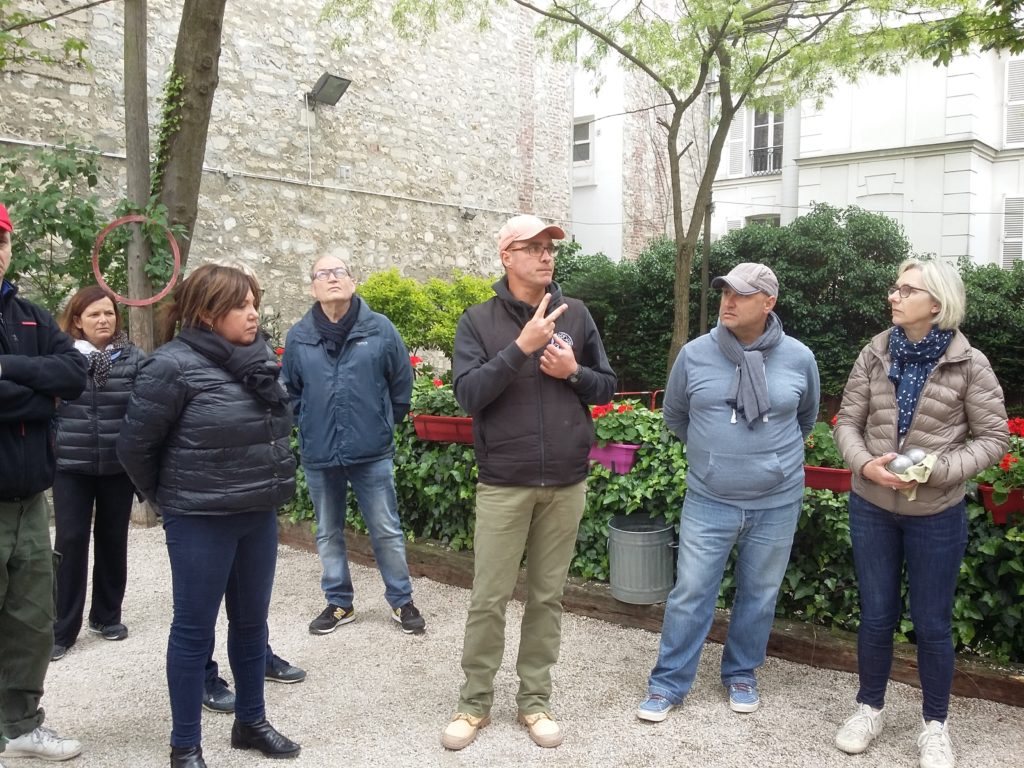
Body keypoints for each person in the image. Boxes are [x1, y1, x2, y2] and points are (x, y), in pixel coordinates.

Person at [440, 214, 616, 751]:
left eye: (550, 248)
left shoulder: (578, 315)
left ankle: (535, 701)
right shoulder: (477, 320)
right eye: (532, 247)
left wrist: (573, 373)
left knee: (547, 597)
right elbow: (467, 395)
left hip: (565, 480)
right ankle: (474, 705)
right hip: (505, 482)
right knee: (489, 597)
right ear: (506, 257)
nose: (546, 256)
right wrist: (520, 347)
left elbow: (606, 386)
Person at [117, 264, 300, 768]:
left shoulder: (256, 358)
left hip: (255, 513)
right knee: (194, 629)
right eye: (241, 305)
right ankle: (185, 746)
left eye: (254, 302)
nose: (253, 312)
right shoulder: (171, 366)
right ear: (206, 312)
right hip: (199, 518)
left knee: (250, 625)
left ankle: (251, 722)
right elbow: (133, 447)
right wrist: (169, 500)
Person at [832, 258, 1008, 768]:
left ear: (936, 303)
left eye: (907, 290)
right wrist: (866, 466)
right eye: (894, 287)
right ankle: (869, 707)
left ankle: (935, 725)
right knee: (877, 615)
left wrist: (941, 469)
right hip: (872, 507)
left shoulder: (969, 363)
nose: (894, 296)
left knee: (932, 624)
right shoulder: (875, 352)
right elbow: (847, 422)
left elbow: (994, 437)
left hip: (937, 513)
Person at [636, 262, 819, 723]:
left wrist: (772, 462)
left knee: (759, 593)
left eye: (741, 294)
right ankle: (668, 684)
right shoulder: (695, 355)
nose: (728, 302)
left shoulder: (799, 358)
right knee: (691, 592)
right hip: (709, 497)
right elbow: (676, 416)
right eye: (724, 293)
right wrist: (713, 457)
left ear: (769, 302)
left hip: (777, 501)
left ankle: (741, 673)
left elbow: (805, 420)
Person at [281, 255, 424, 636]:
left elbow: (401, 383)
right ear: (313, 286)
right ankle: (339, 603)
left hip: (371, 449)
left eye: (339, 272)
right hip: (319, 452)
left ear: (353, 281)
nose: (332, 279)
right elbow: (290, 392)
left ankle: (401, 601)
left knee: (386, 529)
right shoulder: (298, 336)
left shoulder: (379, 329)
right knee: (327, 530)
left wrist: (382, 421)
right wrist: (309, 424)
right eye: (322, 274)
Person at [0, 201, 86, 762]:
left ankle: (21, 724)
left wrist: (8, 370)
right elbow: (53, 389)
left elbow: (75, 375)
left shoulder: (29, 315)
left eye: (1, 241)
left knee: (32, 620)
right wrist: (41, 396)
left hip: (31, 499)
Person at [51, 286, 144, 662]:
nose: (103, 320)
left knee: (112, 539)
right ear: (77, 321)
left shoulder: (132, 358)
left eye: (108, 313)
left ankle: (107, 616)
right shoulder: (61, 357)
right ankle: (62, 627)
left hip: (116, 466)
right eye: (94, 315)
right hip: (71, 465)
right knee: (71, 542)